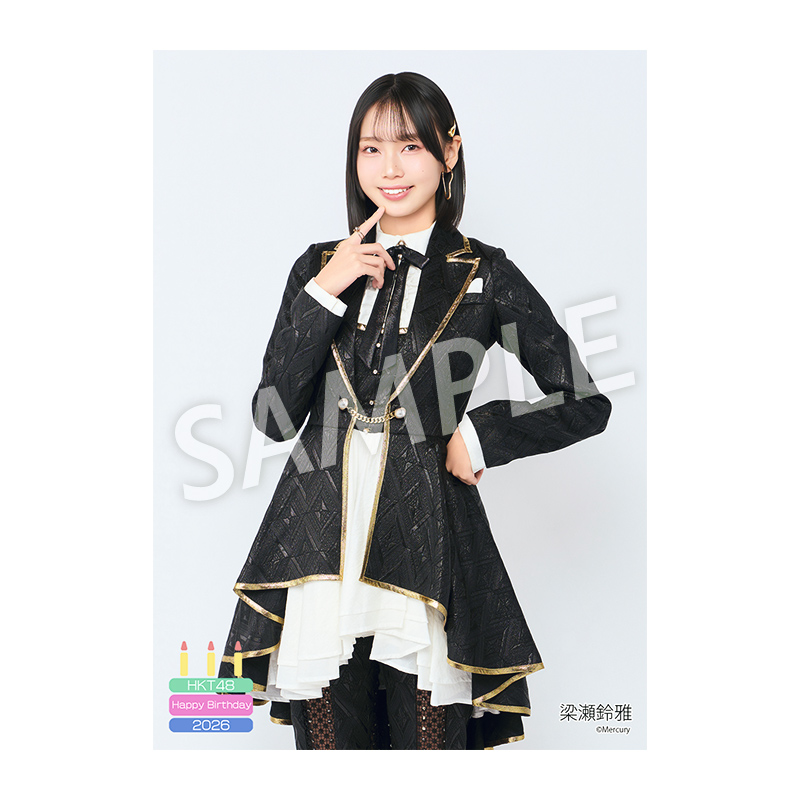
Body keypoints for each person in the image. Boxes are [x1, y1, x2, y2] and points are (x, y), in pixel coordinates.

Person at [218, 71, 612, 750]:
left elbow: (584, 399)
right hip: (319, 552)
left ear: (449, 151)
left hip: (426, 544)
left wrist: (479, 437)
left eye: (410, 146)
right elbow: (274, 417)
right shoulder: (318, 267)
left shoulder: (484, 274)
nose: (390, 169)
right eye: (371, 149)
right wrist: (328, 288)